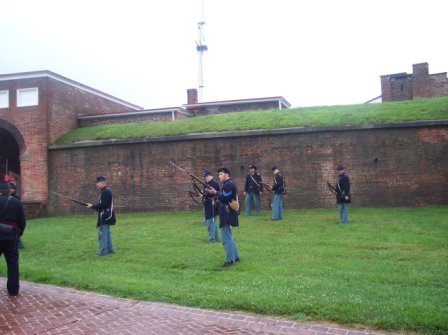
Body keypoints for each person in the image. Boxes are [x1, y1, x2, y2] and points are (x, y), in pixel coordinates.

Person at [209, 167, 240, 267]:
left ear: (227, 174)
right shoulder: (228, 184)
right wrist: (217, 193)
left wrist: (216, 193)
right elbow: (223, 196)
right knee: (229, 235)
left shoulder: (228, 184)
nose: (219, 176)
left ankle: (229, 260)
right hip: (227, 212)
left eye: (221, 174)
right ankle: (235, 257)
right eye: (219, 175)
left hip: (227, 212)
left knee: (226, 237)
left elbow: (224, 197)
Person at [0, 182, 26, 296]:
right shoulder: (17, 202)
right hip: (12, 236)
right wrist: (18, 233)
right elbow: (22, 222)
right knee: (12, 264)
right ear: (9, 190)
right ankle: (13, 290)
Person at [86, 176, 116, 256]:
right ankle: (110, 250)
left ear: (102, 182)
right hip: (106, 216)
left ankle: (102, 252)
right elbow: (102, 206)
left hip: (104, 216)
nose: (96, 184)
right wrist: (92, 206)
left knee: (102, 235)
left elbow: (103, 205)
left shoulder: (105, 192)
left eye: (98, 182)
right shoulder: (106, 191)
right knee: (107, 234)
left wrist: (92, 206)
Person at [202, 169, 220, 243]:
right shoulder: (208, 183)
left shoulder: (214, 183)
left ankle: (211, 240)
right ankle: (215, 238)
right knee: (213, 223)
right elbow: (206, 193)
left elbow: (211, 193)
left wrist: (204, 194)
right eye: (205, 176)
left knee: (211, 223)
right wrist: (202, 194)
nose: (206, 177)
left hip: (212, 204)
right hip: (208, 204)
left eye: (207, 176)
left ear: (211, 176)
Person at [9, 184, 24, 249]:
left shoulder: (16, 197)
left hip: (16, 216)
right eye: (9, 188)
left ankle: (20, 245)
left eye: (11, 188)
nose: (10, 190)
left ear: (14, 189)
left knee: (15, 232)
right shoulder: (8, 196)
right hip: (10, 216)